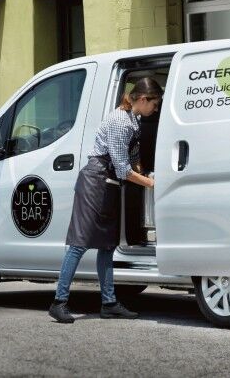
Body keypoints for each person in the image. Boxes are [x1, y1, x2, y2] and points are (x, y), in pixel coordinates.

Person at [49, 77, 162, 323]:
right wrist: (152, 184)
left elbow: (129, 160)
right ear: (142, 99)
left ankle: (109, 303)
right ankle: (59, 302)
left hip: (109, 183)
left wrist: (143, 171)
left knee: (108, 247)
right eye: (154, 103)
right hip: (96, 181)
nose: (156, 108)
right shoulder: (121, 122)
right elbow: (122, 169)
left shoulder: (134, 118)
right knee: (79, 244)